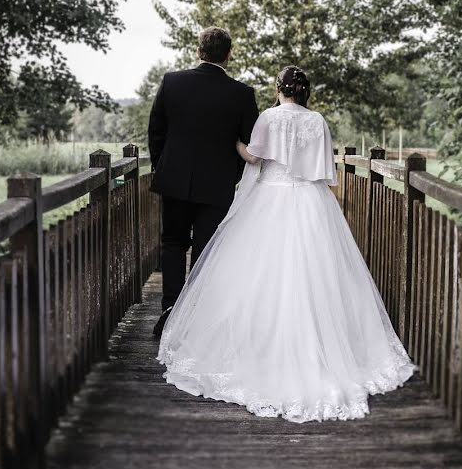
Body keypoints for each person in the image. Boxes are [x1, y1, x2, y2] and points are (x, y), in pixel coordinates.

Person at [157, 66, 415, 423]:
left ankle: (260, 344)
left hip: (271, 198)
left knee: (260, 274)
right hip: (311, 199)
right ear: (305, 92)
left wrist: (235, 142)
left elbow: (255, 158)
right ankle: (325, 350)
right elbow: (325, 169)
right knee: (315, 273)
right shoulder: (317, 121)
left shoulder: (268, 117)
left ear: (278, 89)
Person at [147, 27, 259, 338]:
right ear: (228, 55)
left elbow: (155, 131)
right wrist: (233, 174)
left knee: (172, 244)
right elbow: (251, 142)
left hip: (175, 180)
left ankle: (169, 309)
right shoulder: (242, 94)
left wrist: (163, 167)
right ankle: (195, 314)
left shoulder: (172, 82)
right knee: (206, 249)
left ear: (200, 52)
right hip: (217, 184)